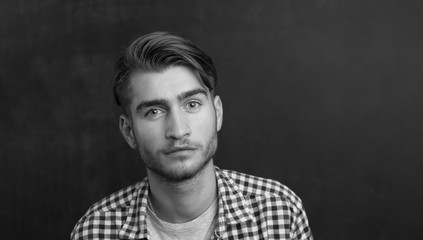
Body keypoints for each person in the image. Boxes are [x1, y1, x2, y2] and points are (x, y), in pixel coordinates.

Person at [71, 32, 313, 240]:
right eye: (154, 111)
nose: (178, 131)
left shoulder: (279, 212)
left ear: (217, 113)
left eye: (192, 104)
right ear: (129, 131)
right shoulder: (95, 231)